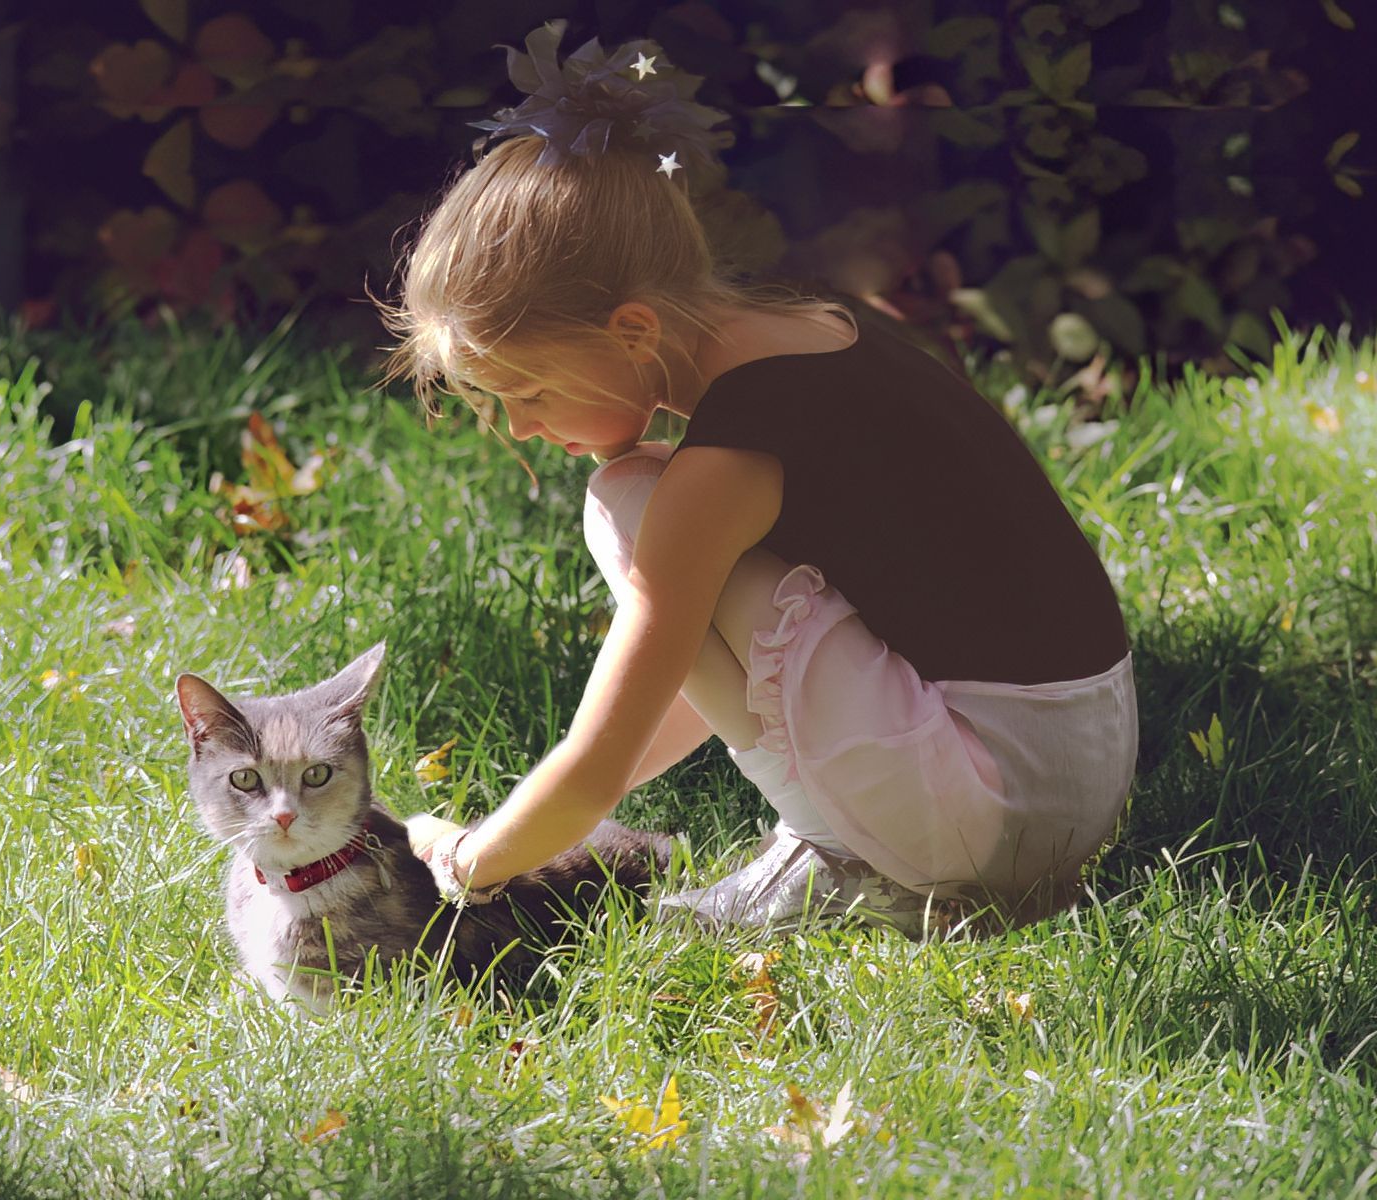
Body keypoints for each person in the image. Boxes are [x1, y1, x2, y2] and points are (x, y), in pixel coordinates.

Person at [374, 22, 1139, 935]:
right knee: (649, 503)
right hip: (1072, 773)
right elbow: (671, 704)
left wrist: (476, 858)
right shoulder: (810, 328)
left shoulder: (729, 461)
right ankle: (852, 845)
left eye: (530, 390)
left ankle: (855, 863)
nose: (523, 426)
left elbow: (605, 749)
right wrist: (541, 814)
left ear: (631, 331)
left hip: (989, 813)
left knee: (629, 504)